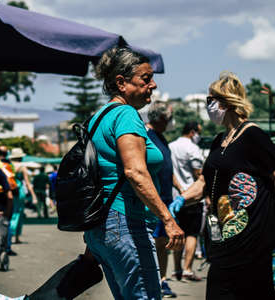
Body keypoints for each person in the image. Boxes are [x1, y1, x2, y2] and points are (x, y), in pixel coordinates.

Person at [169, 71, 275, 299]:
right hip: (224, 236)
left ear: (227, 102)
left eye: (211, 100)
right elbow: (205, 181)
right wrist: (182, 198)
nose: (209, 106)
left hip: (252, 235)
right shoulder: (220, 139)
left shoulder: (253, 135)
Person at [83, 46, 185, 300]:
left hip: (102, 223)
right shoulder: (126, 115)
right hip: (124, 221)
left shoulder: (98, 117)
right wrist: (168, 220)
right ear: (121, 82)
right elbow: (135, 172)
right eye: (146, 78)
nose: (153, 85)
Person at [146, 102, 183, 298]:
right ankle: (155, 280)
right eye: (168, 118)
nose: (170, 122)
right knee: (155, 242)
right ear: (160, 118)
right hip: (155, 201)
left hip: (168, 199)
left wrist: (181, 189)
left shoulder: (162, 139)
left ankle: (162, 279)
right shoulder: (147, 137)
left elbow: (168, 171)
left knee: (164, 242)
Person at [169, 121, 205, 281]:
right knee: (191, 234)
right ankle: (187, 269)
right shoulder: (192, 148)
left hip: (175, 196)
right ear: (192, 132)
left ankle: (176, 269)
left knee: (178, 233)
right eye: (198, 132)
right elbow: (199, 175)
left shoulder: (171, 146)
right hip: (192, 197)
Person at [9, 147, 37, 245]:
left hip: (10, 191)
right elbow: (28, 183)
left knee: (11, 212)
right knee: (18, 214)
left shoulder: (9, 166)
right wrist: (33, 196)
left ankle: (11, 236)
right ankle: (15, 236)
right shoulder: (22, 167)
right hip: (19, 192)